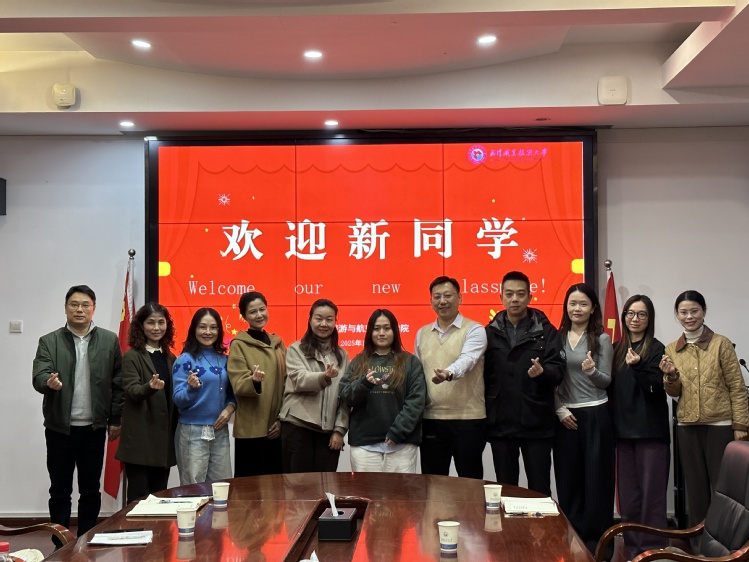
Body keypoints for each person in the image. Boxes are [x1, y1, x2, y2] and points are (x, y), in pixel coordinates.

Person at [31, 285, 123, 544]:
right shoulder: (49, 341)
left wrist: (115, 418)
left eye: (85, 305)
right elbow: (39, 375)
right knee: (59, 490)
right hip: (59, 428)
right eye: (74, 304)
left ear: (93, 308)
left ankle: (85, 542)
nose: (79, 309)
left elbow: (118, 383)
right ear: (65, 308)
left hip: (94, 428)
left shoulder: (109, 340)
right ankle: (61, 546)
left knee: (90, 490)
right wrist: (48, 382)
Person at [660, 290, 749, 530]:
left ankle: (726, 539)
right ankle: (699, 543)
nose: (689, 316)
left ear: (704, 311)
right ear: (677, 315)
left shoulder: (721, 344)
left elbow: (737, 387)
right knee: (695, 489)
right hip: (687, 426)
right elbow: (673, 392)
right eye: (683, 312)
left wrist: (740, 425)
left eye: (694, 311)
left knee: (724, 489)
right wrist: (671, 376)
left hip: (720, 426)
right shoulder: (671, 349)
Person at [484, 271, 566, 495]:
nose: (515, 299)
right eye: (509, 294)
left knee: (539, 490)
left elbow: (559, 370)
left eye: (521, 294)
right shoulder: (489, 332)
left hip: (537, 421)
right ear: (501, 297)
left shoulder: (546, 331)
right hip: (502, 423)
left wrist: (543, 372)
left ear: (530, 297)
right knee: (506, 490)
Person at [553, 282, 614, 554]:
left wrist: (591, 372)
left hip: (595, 414)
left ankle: (598, 547)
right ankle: (572, 542)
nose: (577, 309)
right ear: (566, 306)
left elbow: (606, 380)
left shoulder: (601, 339)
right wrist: (559, 409)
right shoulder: (556, 337)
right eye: (572, 303)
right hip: (566, 417)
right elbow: (552, 380)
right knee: (568, 483)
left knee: (597, 482)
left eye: (583, 304)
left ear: (593, 308)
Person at [608, 295, 669, 559]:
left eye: (641, 314)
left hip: (650, 433)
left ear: (649, 319)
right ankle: (634, 550)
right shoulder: (614, 349)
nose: (635, 319)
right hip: (622, 433)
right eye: (630, 313)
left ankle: (652, 551)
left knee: (652, 496)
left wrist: (639, 366)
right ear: (623, 317)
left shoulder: (656, 348)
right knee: (628, 497)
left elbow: (656, 388)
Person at [415, 276, 487, 479]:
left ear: (460, 298)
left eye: (448, 295)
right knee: (433, 483)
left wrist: (448, 373)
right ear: (431, 301)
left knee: (470, 482)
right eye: (437, 297)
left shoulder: (475, 329)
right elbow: (417, 374)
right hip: (431, 420)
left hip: (468, 419)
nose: (442, 301)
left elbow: (468, 359)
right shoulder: (422, 333)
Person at [339, 309, 426, 473]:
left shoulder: (411, 362)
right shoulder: (358, 361)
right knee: (366, 490)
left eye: (387, 328)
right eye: (376, 328)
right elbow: (346, 395)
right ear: (370, 332)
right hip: (364, 446)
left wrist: (397, 432)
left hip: (402, 444)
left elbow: (416, 401)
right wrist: (364, 383)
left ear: (395, 331)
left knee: (400, 491)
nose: (381, 333)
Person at [115, 303, 178, 504]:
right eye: (151, 323)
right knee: (139, 498)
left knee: (160, 497)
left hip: (163, 441)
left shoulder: (171, 357)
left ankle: (158, 527)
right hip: (139, 441)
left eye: (161, 322)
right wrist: (149, 387)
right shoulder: (132, 356)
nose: (156, 327)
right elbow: (132, 391)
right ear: (141, 326)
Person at [278, 298, 349, 473]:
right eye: (319, 318)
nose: (324, 324)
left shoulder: (342, 355)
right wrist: (324, 377)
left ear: (335, 322)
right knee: (297, 485)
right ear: (310, 320)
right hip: (297, 426)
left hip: (328, 433)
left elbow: (345, 396)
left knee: (326, 485)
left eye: (329, 319)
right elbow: (299, 379)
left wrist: (339, 430)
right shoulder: (296, 349)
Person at [173, 308, 235, 485]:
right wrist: (191, 389)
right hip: (192, 432)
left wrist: (230, 409)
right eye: (202, 327)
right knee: (193, 489)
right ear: (194, 329)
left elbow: (231, 394)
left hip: (219, 430)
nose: (208, 332)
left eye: (213, 327)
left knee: (222, 487)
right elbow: (178, 400)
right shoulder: (185, 360)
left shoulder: (225, 360)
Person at [227, 291, 287, 477]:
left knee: (275, 486)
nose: (259, 315)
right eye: (253, 312)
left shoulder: (278, 343)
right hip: (251, 429)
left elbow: (287, 383)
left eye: (262, 309)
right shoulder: (239, 344)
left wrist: (281, 419)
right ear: (244, 316)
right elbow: (238, 383)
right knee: (249, 487)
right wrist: (253, 381)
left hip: (276, 427)